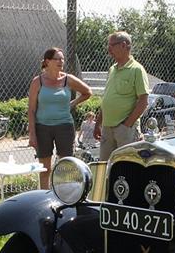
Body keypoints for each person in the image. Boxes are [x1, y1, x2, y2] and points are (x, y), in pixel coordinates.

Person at [27, 47, 92, 189]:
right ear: (47, 61)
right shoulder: (37, 82)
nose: (60, 62)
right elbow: (31, 110)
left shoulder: (68, 80)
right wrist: (32, 134)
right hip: (42, 127)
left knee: (65, 167)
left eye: (62, 59)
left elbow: (87, 92)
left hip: (64, 126)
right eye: (57, 59)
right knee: (45, 168)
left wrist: (73, 103)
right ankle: (43, 197)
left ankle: (64, 196)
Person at [94, 31, 149, 159]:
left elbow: (143, 101)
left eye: (111, 46)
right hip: (107, 129)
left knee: (126, 167)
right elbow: (107, 99)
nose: (108, 50)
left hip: (125, 131)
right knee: (105, 167)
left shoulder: (137, 70)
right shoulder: (112, 69)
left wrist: (126, 125)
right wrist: (98, 123)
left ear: (123, 45)